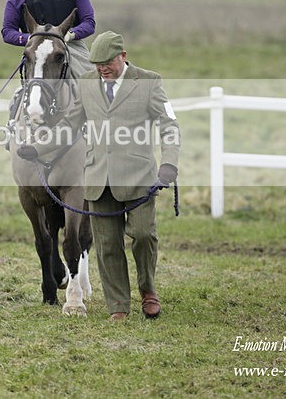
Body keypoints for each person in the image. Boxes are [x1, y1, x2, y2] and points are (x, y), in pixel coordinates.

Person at [17, 31, 180, 321]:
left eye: (107, 63)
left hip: (138, 176)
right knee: (107, 245)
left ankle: (147, 290)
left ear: (123, 57)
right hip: (98, 177)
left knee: (144, 236)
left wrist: (169, 164)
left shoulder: (149, 81)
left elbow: (169, 125)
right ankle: (118, 305)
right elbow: (69, 125)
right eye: (97, 64)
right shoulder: (87, 84)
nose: (102, 69)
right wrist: (38, 148)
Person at [2, 0, 97, 122]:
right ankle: (14, 124)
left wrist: (71, 34)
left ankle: (99, 127)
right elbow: (7, 31)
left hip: (70, 46)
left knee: (93, 86)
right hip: (36, 49)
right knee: (22, 92)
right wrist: (31, 39)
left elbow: (89, 22)